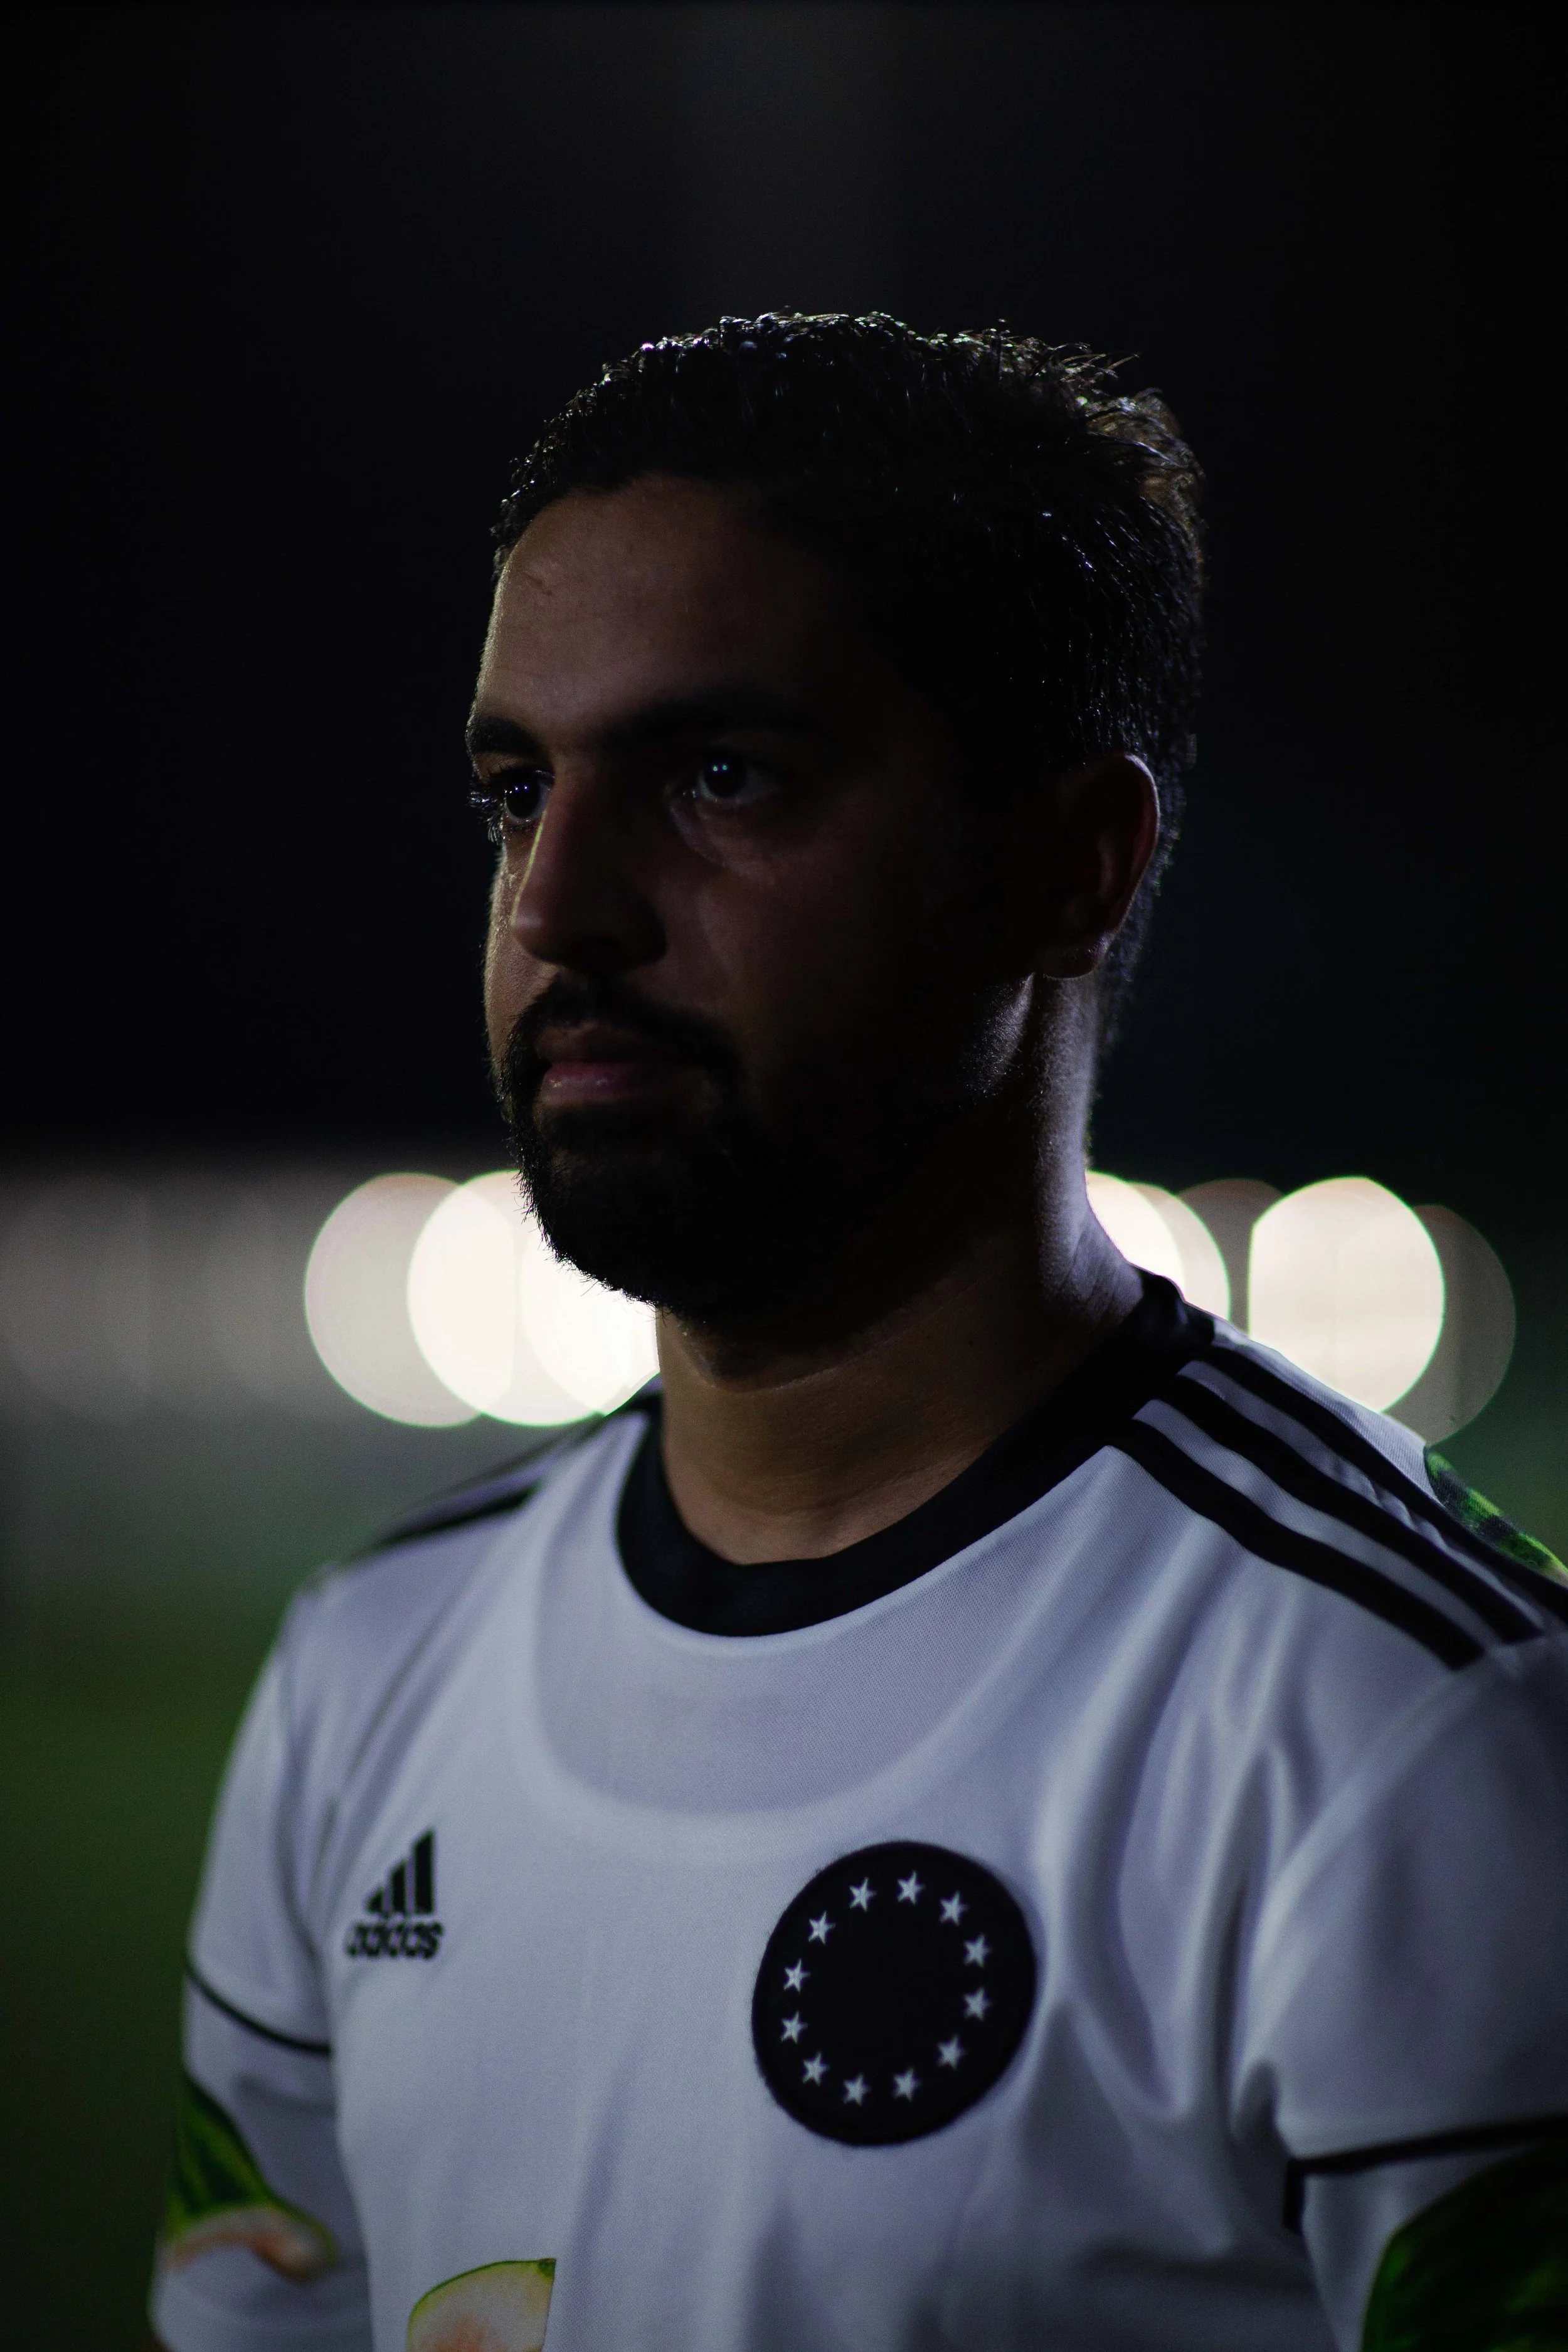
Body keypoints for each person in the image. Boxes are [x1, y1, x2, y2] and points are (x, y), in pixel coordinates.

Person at [151, 315, 1568, 2352]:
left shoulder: (1407, 1734)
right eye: (511, 789)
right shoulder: (363, 1676)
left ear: (1070, 863)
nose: (560, 904)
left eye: (720, 777)